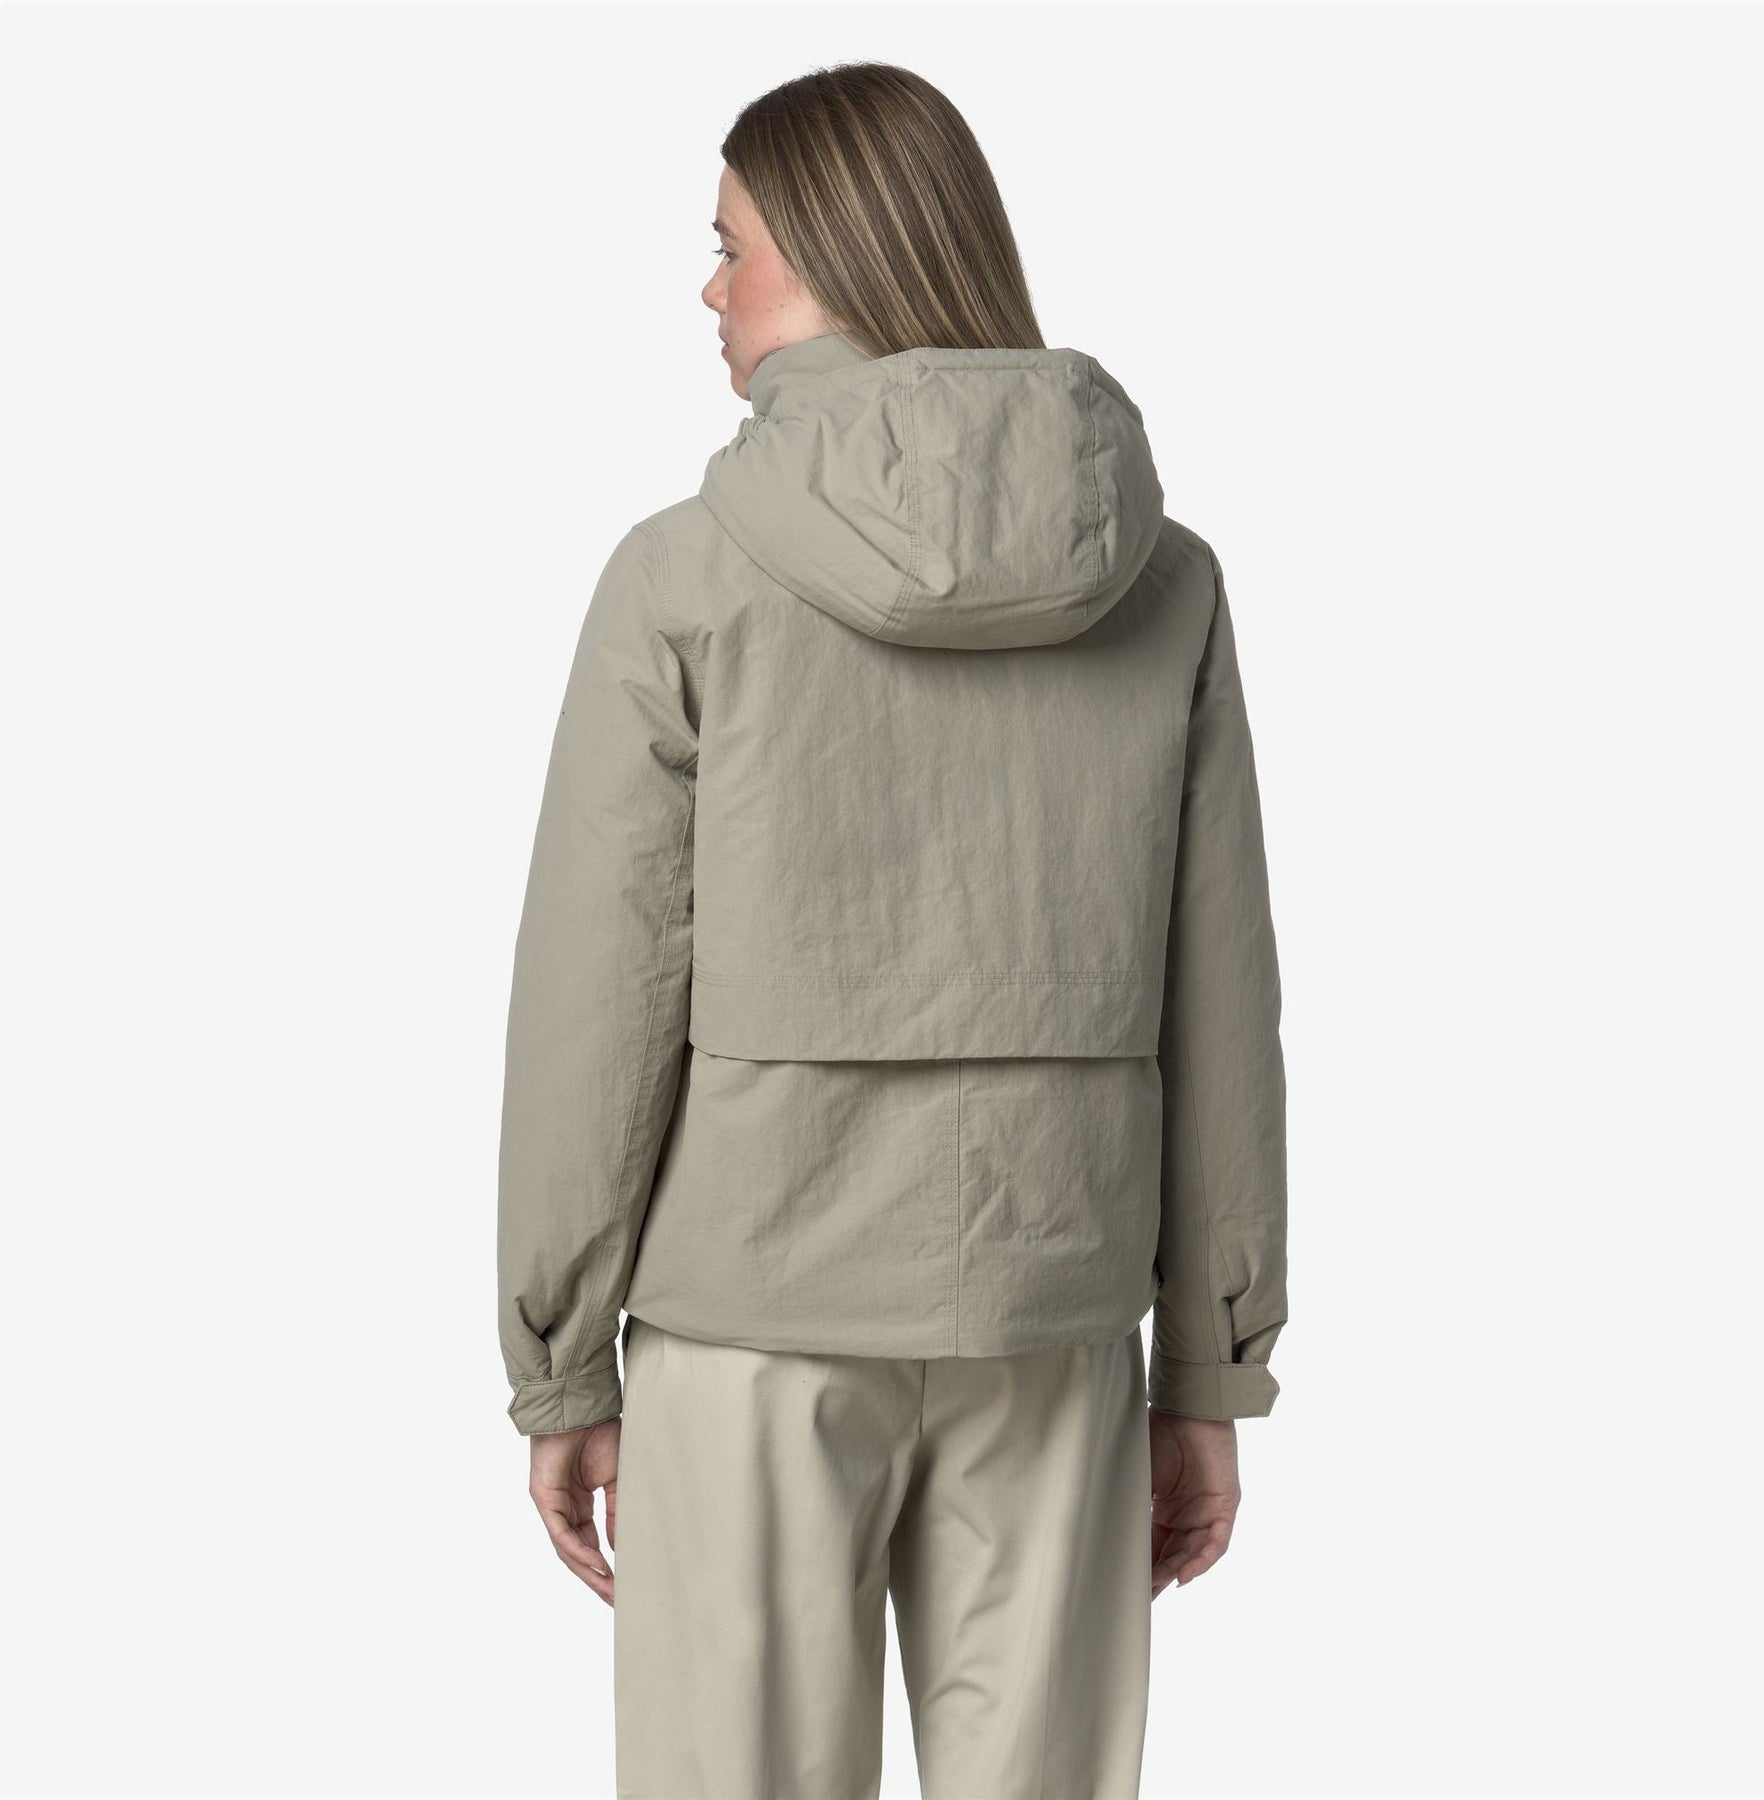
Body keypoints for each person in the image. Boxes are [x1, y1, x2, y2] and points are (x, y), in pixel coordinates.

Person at [496, 59, 1288, 1800]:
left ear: (834, 252)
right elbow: (1223, 1000)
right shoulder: (1163, 579)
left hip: (749, 1322)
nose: (707, 291)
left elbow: (596, 1001)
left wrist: (559, 1363)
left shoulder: (683, 577)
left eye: (730, 247)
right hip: (1056, 1314)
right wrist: (1209, 1366)